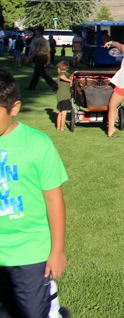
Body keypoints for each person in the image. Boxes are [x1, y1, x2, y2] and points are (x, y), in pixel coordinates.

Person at [0, 69, 69, 317]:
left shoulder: (38, 144)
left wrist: (57, 250)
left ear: (14, 108)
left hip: (30, 254)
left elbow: (54, 199)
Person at [27, 27, 57, 91]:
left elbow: (36, 50)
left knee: (42, 73)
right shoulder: (45, 40)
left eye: (36, 31)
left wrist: (30, 57)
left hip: (40, 57)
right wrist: (48, 60)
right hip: (43, 57)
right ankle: (32, 86)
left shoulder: (40, 40)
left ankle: (54, 85)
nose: (35, 32)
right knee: (36, 73)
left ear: (39, 32)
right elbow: (48, 51)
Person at [55, 61, 73, 132]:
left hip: (60, 96)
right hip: (64, 96)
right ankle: (62, 128)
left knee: (60, 112)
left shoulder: (65, 74)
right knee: (64, 113)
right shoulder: (61, 74)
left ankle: (58, 127)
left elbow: (69, 77)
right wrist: (70, 81)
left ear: (59, 68)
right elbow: (63, 77)